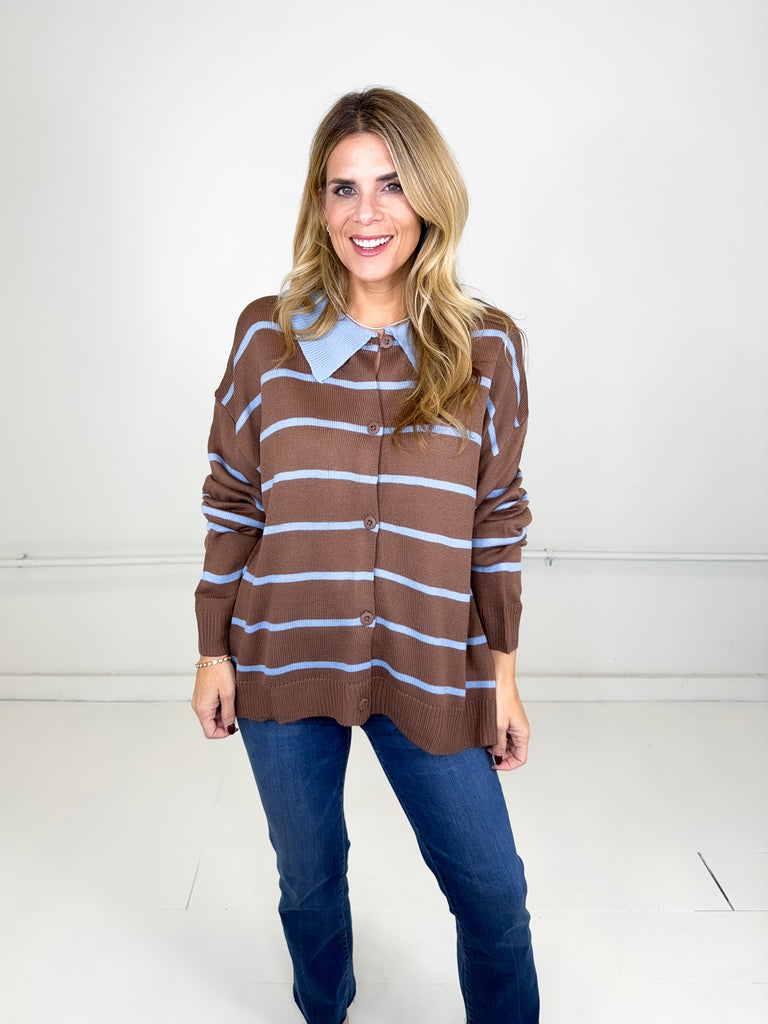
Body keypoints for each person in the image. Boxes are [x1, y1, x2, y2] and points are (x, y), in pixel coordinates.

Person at [191, 87, 539, 1024]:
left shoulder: (488, 347)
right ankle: (326, 1010)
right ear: (320, 204)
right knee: (309, 882)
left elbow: (495, 518)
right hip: (284, 656)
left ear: (429, 197)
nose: (366, 212)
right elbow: (233, 498)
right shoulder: (265, 336)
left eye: (390, 184)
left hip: (430, 659)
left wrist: (502, 678)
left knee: (494, 895)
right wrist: (213, 651)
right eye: (343, 188)